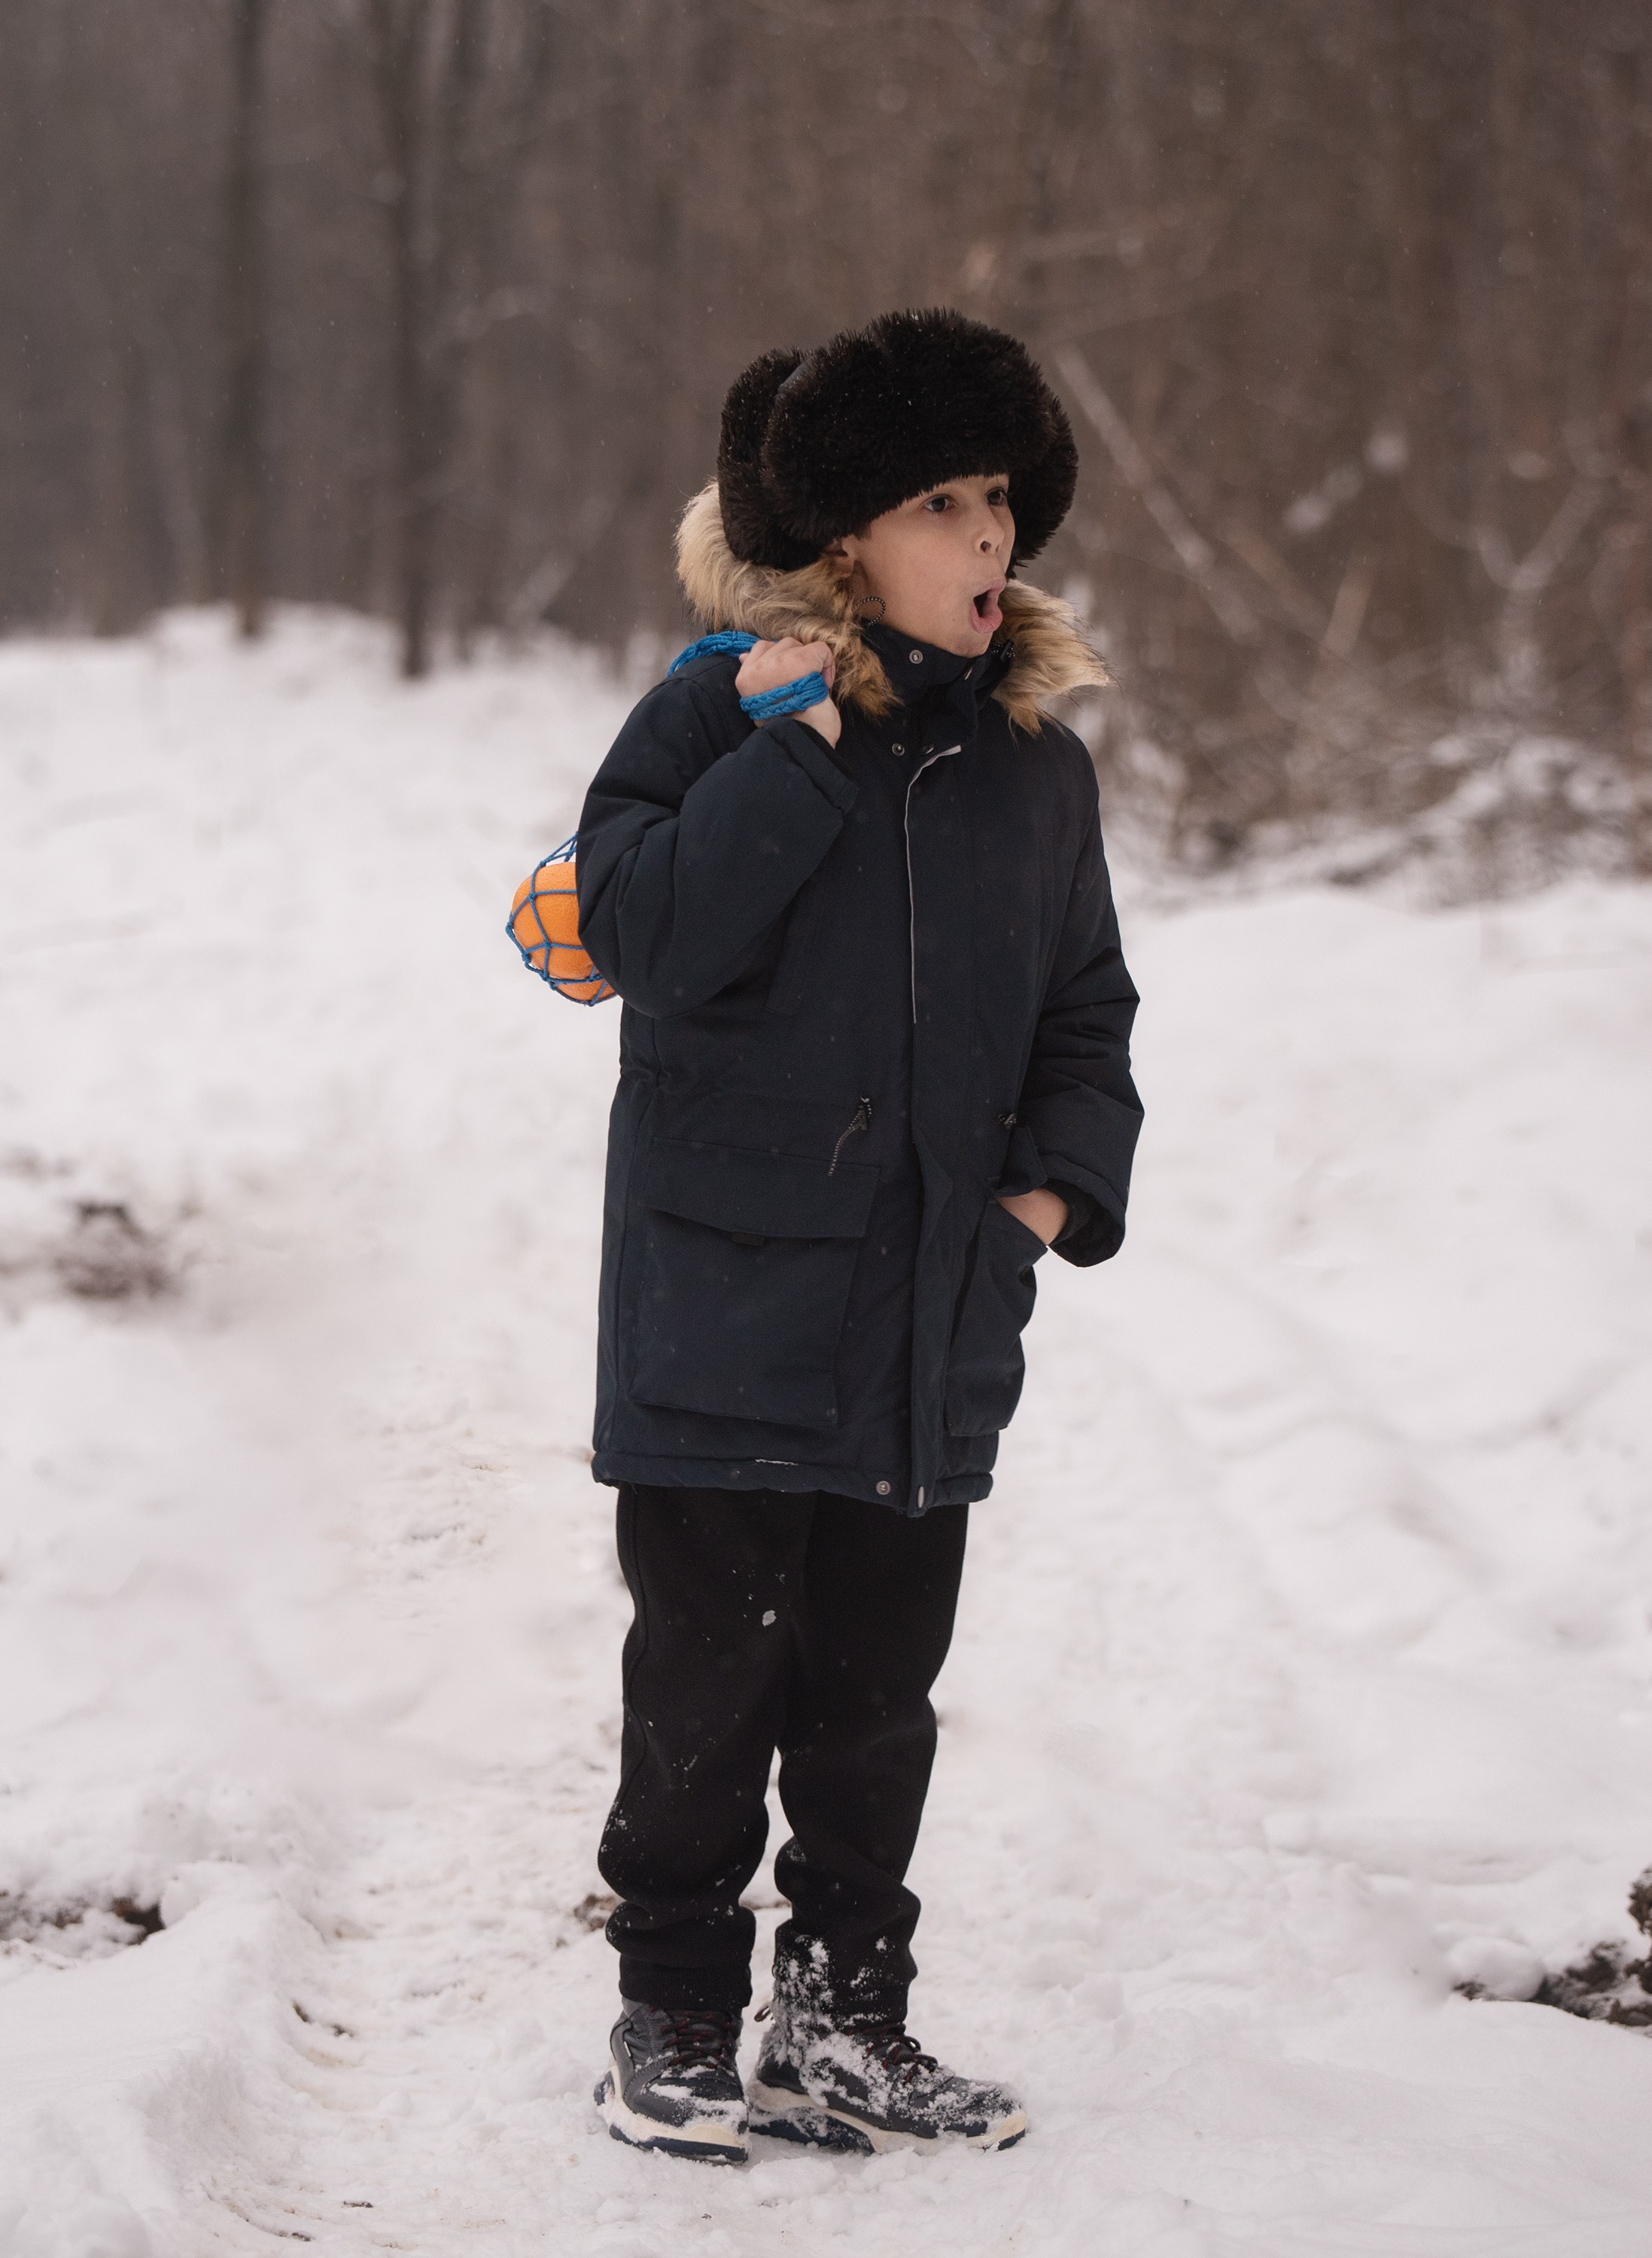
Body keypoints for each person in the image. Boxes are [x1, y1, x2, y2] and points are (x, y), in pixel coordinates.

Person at [572, 308, 1142, 2165]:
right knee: (706, 1683)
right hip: (723, 1304)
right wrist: (792, 747)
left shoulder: (1037, 768)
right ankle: (670, 2014)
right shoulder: (711, 712)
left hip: (927, 1315)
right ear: (842, 545)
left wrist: (1049, 1195)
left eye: (1000, 501)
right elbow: (636, 933)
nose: (992, 539)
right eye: (941, 503)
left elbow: (1086, 1013)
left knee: (875, 1702)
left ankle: (844, 2018)